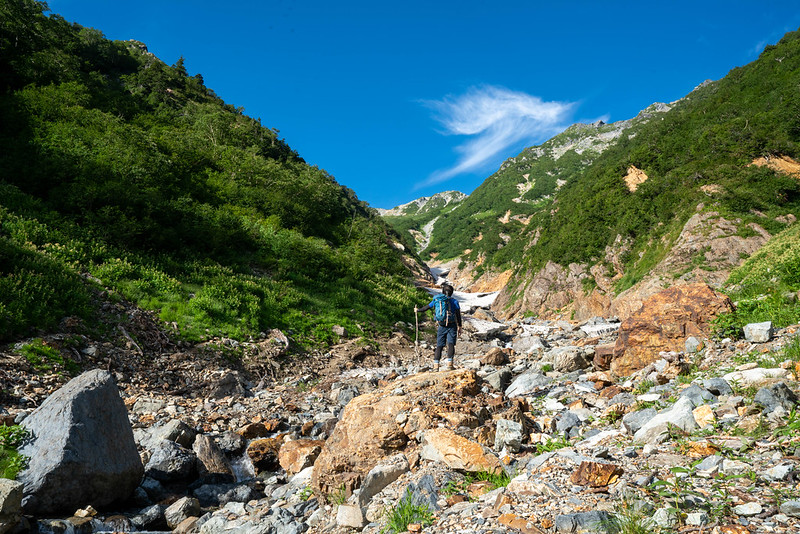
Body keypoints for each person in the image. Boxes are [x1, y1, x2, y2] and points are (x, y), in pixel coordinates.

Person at [414, 283, 462, 371]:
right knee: (450, 344)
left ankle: (436, 366)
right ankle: (449, 365)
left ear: (443, 292)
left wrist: (418, 310)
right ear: (451, 293)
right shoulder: (454, 301)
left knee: (439, 345)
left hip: (441, 325)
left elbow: (427, 307)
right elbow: (458, 315)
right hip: (452, 325)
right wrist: (460, 326)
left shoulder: (438, 300)